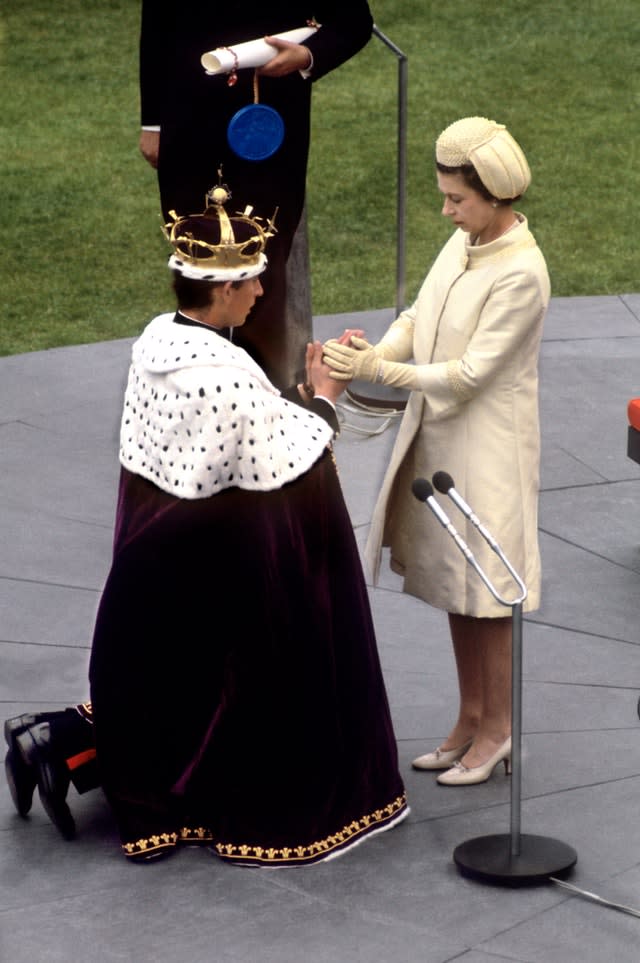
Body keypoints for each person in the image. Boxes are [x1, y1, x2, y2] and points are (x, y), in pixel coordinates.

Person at [10, 183, 406, 864]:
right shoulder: (223, 371)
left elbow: (238, 439)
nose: (260, 292)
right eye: (253, 281)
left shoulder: (156, 343)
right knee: (230, 688)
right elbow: (282, 463)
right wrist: (327, 400)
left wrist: (297, 399)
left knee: (165, 683)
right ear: (223, 290)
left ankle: (50, 741)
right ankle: (68, 748)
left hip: (156, 551)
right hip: (212, 561)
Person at [323, 116, 550, 786]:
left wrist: (378, 371)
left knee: (487, 588)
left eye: (457, 198)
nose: (446, 209)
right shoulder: (464, 240)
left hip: (490, 448)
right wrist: (372, 354)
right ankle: (470, 718)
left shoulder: (523, 273)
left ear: (494, 196)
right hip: (443, 435)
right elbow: (418, 319)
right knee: (457, 585)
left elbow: (471, 373)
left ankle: (499, 732)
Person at [138, 2, 373, 388]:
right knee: (196, 263)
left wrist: (309, 55)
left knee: (263, 269)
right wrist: (153, 122)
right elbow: (158, 21)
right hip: (186, 122)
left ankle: (263, 404)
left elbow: (353, 21)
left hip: (269, 126)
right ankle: (194, 393)